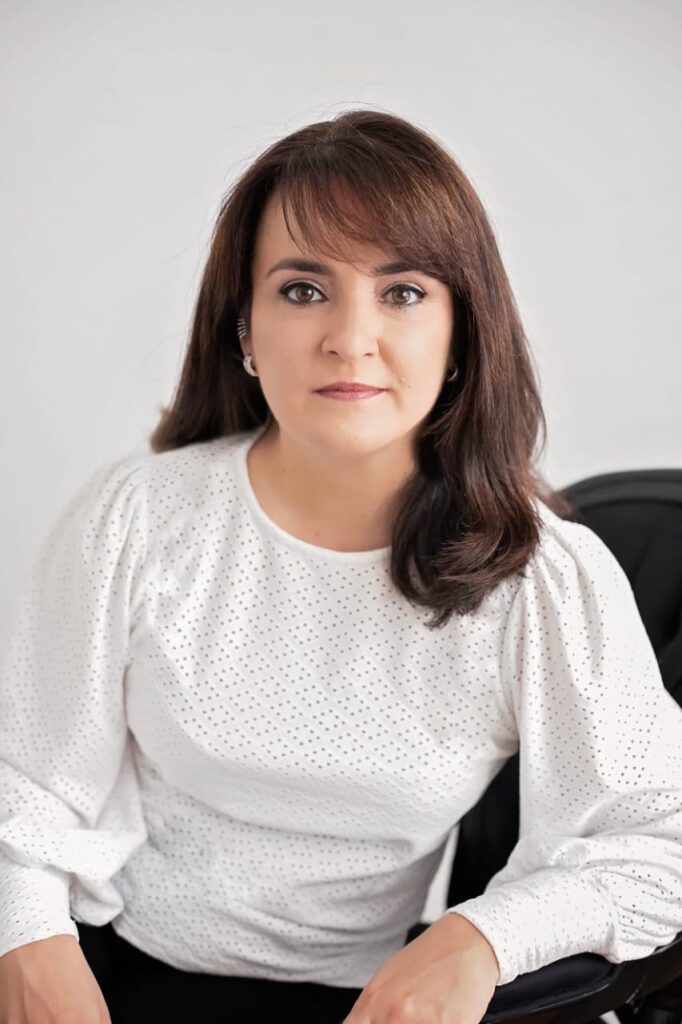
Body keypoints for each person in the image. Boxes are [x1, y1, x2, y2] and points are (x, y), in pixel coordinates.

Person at [1, 108, 681, 1024]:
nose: (350, 338)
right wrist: (28, 939)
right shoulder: (137, 517)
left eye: (402, 293)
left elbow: (661, 839)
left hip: (371, 1001)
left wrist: (482, 938)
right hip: (104, 966)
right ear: (245, 329)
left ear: (460, 333)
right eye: (302, 289)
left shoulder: (539, 575)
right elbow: (28, 781)